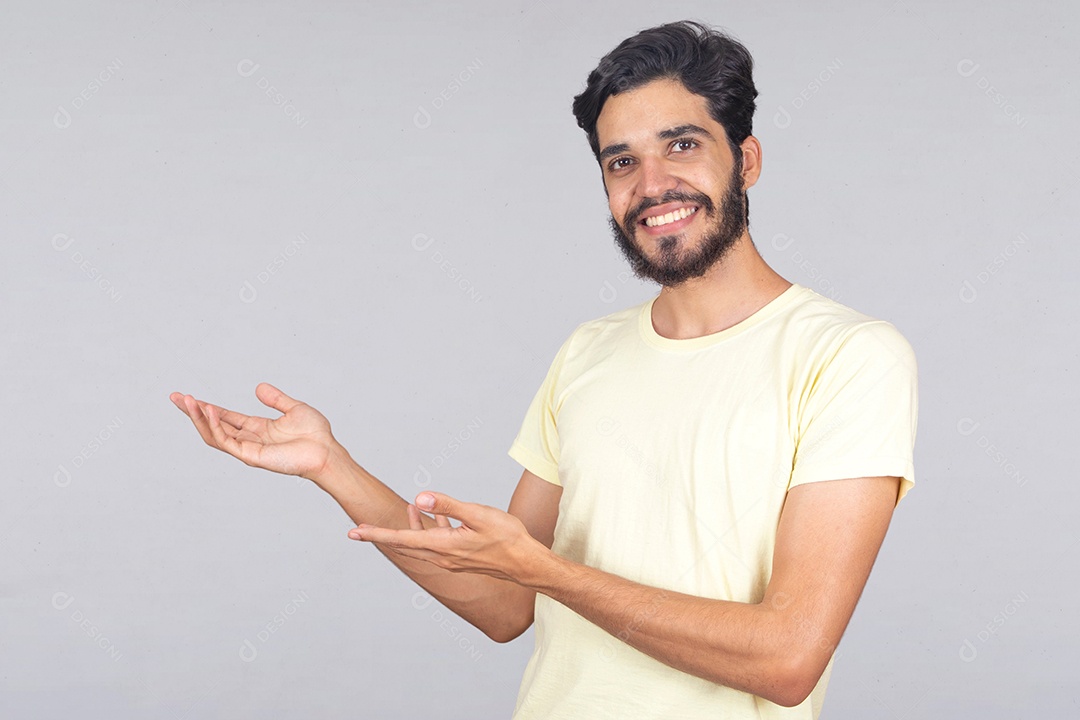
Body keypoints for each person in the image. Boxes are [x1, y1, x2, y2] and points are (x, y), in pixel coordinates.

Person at [170, 19, 918, 719]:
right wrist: (333, 467)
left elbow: (788, 658)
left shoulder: (848, 356)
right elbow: (504, 600)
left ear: (746, 160)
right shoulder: (587, 353)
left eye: (682, 146)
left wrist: (548, 572)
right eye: (621, 161)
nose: (651, 184)